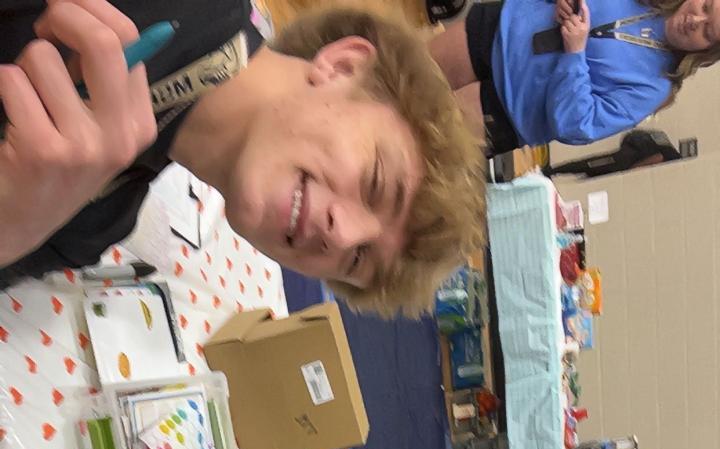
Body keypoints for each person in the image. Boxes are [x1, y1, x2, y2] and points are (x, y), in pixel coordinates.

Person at [0, 0, 483, 316]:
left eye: (357, 259)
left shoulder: (93, 226)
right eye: (376, 182)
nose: (342, 235)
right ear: (342, 66)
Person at [429, 0, 720, 155]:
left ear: (708, 51)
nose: (694, 21)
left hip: (507, 111)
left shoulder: (655, 88)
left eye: (707, 31)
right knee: (405, 78)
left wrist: (575, 54)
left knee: (418, 133)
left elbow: (575, 126)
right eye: (705, 7)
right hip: (501, 32)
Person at [548, 125, 681, 175]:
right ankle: (552, 171)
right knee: (591, 165)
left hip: (633, 145)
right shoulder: (675, 160)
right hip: (631, 155)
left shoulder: (672, 152)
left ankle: (555, 171)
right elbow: (657, 158)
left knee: (592, 166)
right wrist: (634, 169)